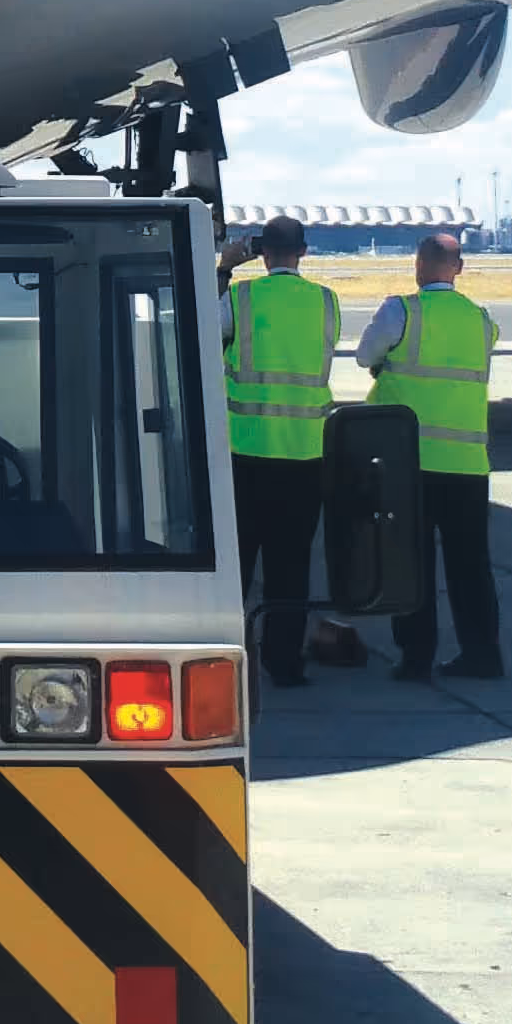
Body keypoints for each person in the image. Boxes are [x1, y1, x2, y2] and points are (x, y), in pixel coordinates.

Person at [355, 231, 502, 681]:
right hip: (468, 465)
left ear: (418, 265)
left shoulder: (402, 310)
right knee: (471, 566)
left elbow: (365, 357)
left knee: (411, 563)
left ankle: (416, 657)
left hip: (410, 461)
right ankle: (483, 655)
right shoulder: (482, 320)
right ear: (458, 269)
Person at [222, 217, 346, 687]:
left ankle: (230, 659)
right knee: (290, 568)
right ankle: (285, 663)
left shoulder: (242, 298)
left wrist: (224, 269)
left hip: (246, 453)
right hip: (305, 456)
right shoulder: (326, 303)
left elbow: (202, 333)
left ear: (262, 252)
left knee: (237, 567)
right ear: (303, 252)